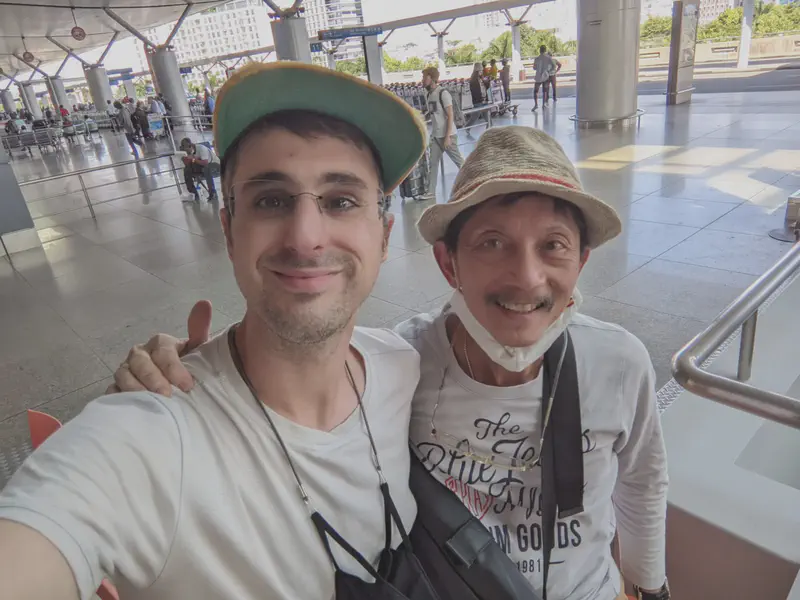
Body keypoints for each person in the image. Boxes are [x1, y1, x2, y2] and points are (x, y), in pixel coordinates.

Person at [109, 126, 672, 600]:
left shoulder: (618, 362)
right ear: (448, 264)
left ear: (582, 260)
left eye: (554, 246)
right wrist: (186, 372)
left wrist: (650, 588)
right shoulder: (398, 364)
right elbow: (288, 382)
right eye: (492, 243)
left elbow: (642, 480)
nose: (527, 278)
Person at [0, 61, 455, 600]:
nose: (306, 236)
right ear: (228, 230)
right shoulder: (149, 438)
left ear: (382, 236)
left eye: (341, 201)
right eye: (270, 201)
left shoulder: (400, 365)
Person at [418, 66, 464, 202]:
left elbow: (450, 115)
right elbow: (433, 113)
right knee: (433, 164)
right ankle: (431, 192)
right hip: (436, 136)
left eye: (424, 77)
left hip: (447, 135)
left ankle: (475, 183)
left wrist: (448, 136)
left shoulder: (442, 93)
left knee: (460, 163)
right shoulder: (428, 94)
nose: (422, 80)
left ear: (431, 78)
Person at [179, 137, 220, 203]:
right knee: (186, 170)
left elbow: (205, 162)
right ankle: (194, 194)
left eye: (188, 150)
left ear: (191, 146)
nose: (187, 152)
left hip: (214, 164)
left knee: (206, 168)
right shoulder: (188, 152)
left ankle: (213, 193)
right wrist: (186, 159)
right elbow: (191, 163)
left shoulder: (201, 148)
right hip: (202, 166)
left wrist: (193, 158)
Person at [532, 45, 558, 112]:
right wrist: (548, 71)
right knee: (545, 91)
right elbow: (553, 65)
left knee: (535, 91)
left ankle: (536, 104)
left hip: (538, 76)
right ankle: (544, 104)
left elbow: (534, 68)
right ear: (545, 50)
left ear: (540, 50)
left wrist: (538, 68)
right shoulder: (548, 58)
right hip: (545, 76)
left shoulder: (537, 58)